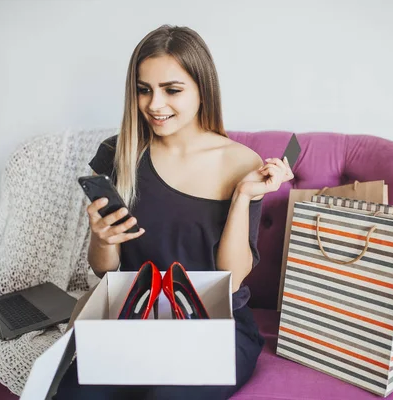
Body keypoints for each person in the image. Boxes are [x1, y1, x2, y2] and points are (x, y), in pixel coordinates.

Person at [54, 24, 293, 400]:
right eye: (144, 90)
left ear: (202, 89)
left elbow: (230, 282)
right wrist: (101, 238)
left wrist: (244, 196)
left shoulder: (238, 163)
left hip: (216, 326)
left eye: (172, 90)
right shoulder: (119, 154)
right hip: (134, 321)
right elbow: (104, 269)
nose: (154, 105)